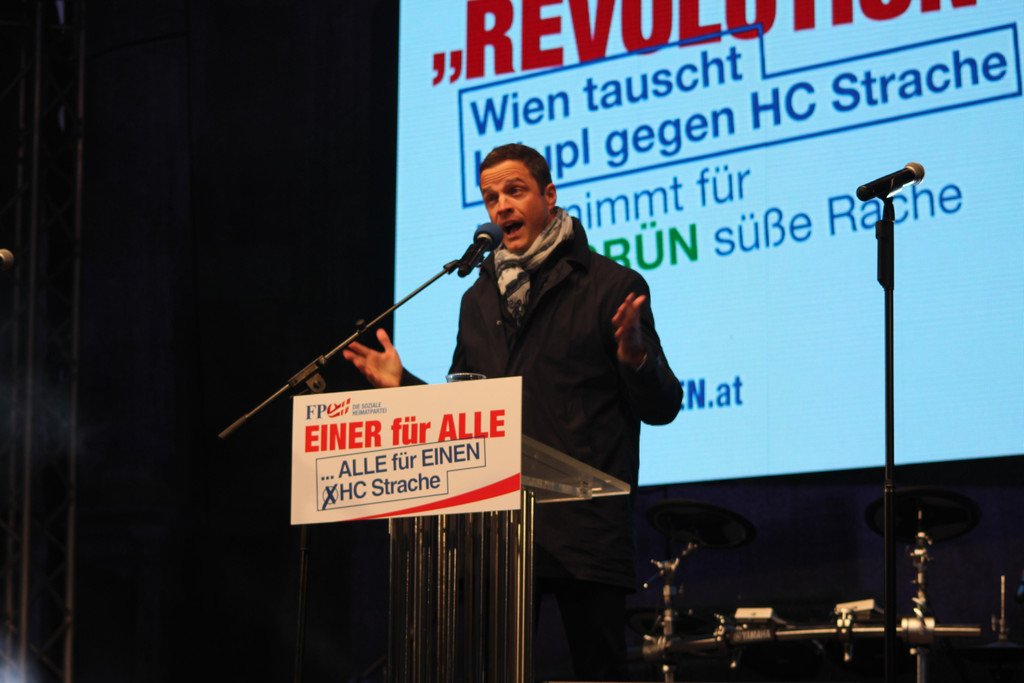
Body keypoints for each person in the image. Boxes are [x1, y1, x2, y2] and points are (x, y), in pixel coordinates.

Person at [343, 143, 681, 680]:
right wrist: (401, 384)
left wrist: (635, 359)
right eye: (491, 196)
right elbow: (465, 412)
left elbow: (664, 407)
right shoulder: (477, 300)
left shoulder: (611, 287)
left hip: (585, 536)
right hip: (498, 537)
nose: (501, 205)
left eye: (514, 191)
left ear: (549, 196)